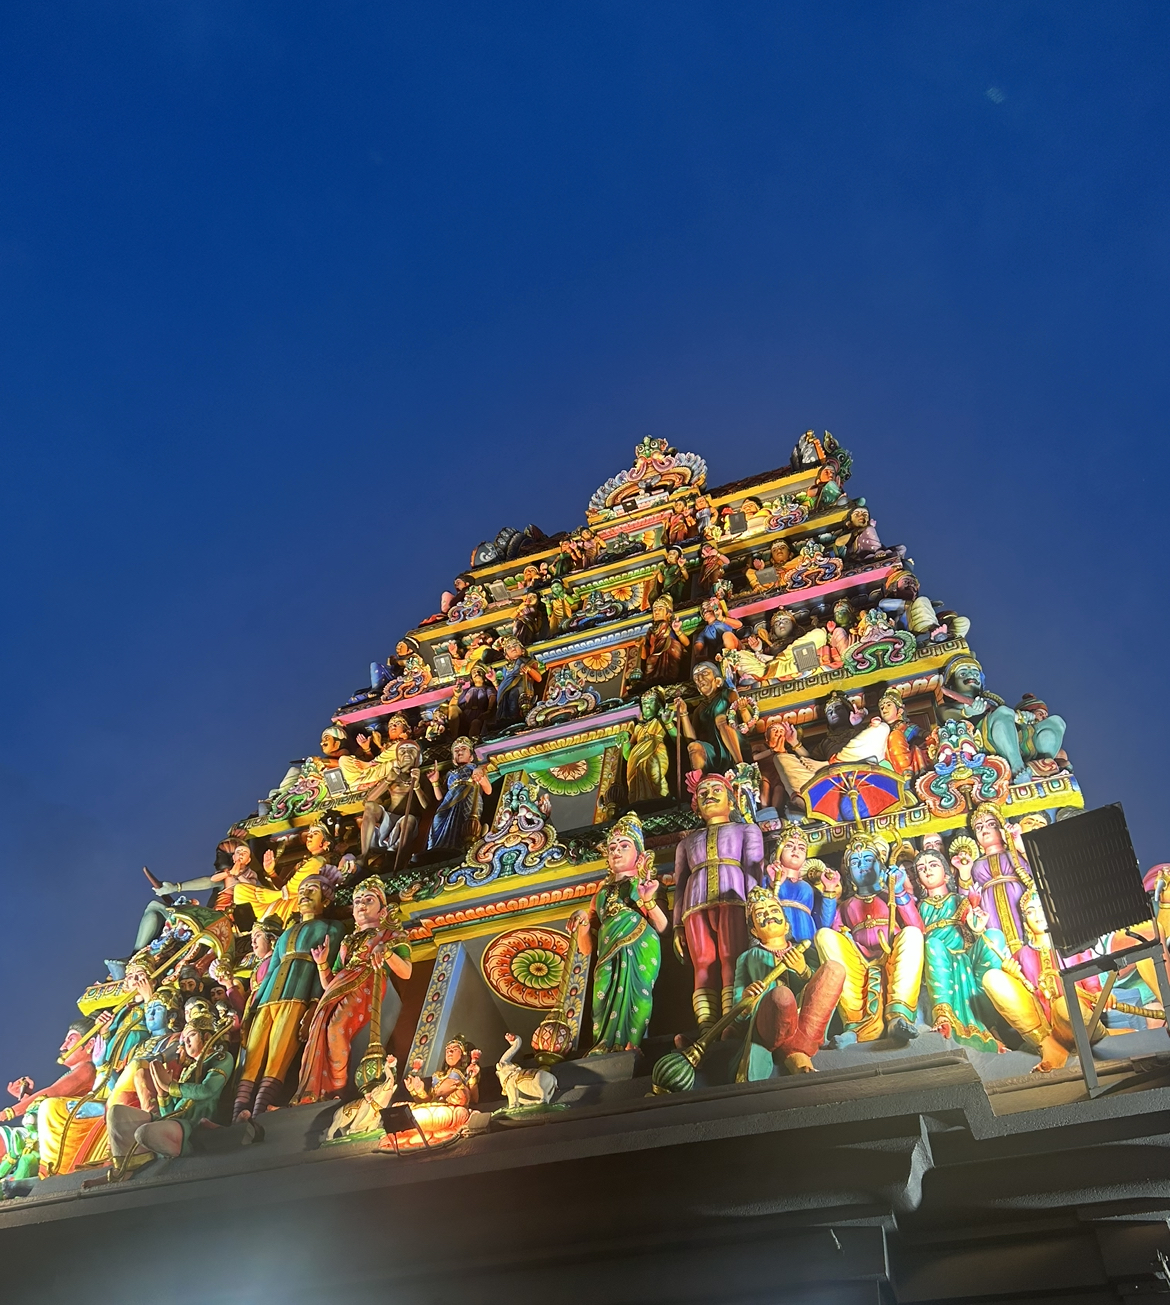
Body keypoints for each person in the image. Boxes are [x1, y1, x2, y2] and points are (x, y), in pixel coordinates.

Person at [233, 875, 347, 1121]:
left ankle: (260, 1112)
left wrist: (315, 1003)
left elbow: (327, 967)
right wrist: (252, 1009)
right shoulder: (286, 933)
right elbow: (272, 970)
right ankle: (236, 1115)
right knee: (251, 1059)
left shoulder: (332, 927)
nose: (304, 894)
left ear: (325, 899)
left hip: (298, 996)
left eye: (312, 889)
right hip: (268, 999)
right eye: (302, 889)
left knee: (277, 1058)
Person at [296, 878, 413, 1103]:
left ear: (382, 909)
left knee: (336, 1028)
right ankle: (313, 1092)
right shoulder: (347, 941)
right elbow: (329, 983)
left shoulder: (391, 935)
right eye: (357, 901)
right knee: (318, 1033)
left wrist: (386, 953)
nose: (361, 905)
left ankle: (337, 1090)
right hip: (339, 988)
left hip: (367, 981)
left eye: (368, 900)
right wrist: (322, 963)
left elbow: (406, 972)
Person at [672, 773, 765, 1028]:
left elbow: (755, 869)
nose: (709, 795)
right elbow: (679, 884)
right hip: (694, 902)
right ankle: (706, 1025)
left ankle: (731, 1021)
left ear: (731, 801)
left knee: (731, 956)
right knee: (702, 963)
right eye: (702, 793)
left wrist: (755, 908)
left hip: (734, 896)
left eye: (716, 790)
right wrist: (677, 926)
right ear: (697, 807)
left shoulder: (746, 830)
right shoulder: (686, 843)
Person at [570, 814, 668, 1054]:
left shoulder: (648, 883)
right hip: (606, 950)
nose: (616, 851)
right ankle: (603, 1044)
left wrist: (648, 901)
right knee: (602, 998)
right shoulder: (600, 893)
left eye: (624, 846)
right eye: (612, 847)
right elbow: (586, 949)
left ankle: (631, 1044)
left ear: (639, 854)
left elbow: (664, 926)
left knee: (637, 992)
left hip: (639, 944)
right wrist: (583, 924)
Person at [815, 835, 925, 1044]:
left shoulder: (891, 895)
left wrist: (899, 890)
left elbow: (917, 927)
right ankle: (856, 1026)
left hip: (891, 952)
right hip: (859, 959)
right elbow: (828, 931)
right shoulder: (846, 906)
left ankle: (898, 1017)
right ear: (848, 873)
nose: (862, 865)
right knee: (824, 936)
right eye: (855, 862)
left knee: (912, 935)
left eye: (868, 859)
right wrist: (830, 891)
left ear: (880, 865)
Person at [104, 1017, 243, 1180]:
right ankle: (124, 1168)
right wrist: (163, 1095)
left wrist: (171, 1087)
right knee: (116, 1113)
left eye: (191, 1036)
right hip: (175, 1122)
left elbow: (208, 1089)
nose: (186, 1043)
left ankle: (177, 1149)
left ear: (206, 1037)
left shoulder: (221, 1058)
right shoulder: (188, 1070)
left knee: (144, 1133)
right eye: (184, 1039)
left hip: (192, 1126)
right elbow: (170, 1113)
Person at [732, 886, 845, 1077]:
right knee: (781, 997)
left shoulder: (805, 950)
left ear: (786, 925)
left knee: (834, 969)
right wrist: (747, 1001)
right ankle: (796, 1057)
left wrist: (802, 970)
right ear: (754, 930)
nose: (769, 915)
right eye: (760, 914)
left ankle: (797, 1054)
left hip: (805, 1023)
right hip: (770, 1025)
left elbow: (817, 989)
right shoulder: (747, 957)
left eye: (774, 910)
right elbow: (736, 1011)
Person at [913, 850, 1002, 1051]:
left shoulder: (960, 901)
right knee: (933, 944)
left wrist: (977, 928)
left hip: (965, 957)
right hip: (937, 960)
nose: (927, 870)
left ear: (946, 874)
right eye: (921, 868)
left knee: (995, 937)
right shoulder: (920, 908)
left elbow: (973, 934)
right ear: (918, 879)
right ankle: (943, 1016)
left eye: (933, 865)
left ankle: (994, 1022)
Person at [376, 1035, 481, 1154]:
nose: (450, 1052)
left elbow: (474, 1099)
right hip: (435, 1111)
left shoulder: (464, 1073)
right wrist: (417, 1091)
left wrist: (473, 1078)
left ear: (462, 1055)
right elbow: (429, 1100)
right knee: (397, 1107)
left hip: (451, 1112)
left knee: (461, 1100)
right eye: (447, 1050)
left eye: (454, 1049)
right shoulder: (437, 1075)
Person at [764, 824, 840, 948]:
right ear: (778, 852)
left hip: (807, 935)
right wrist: (774, 884)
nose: (796, 850)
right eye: (789, 846)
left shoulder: (809, 887)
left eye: (801, 848)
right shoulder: (768, 879)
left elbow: (825, 922)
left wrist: (829, 889)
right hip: (778, 933)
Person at [676, 661, 746, 776]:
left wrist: (743, 709)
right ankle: (700, 781)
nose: (700, 678)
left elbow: (748, 721)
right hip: (713, 750)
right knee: (694, 747)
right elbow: (692, 739)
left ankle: (740, 766)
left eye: (704, 673)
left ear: (717, 680)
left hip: (735, 740)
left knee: (721, 719)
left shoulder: (728, 694)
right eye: (696, 678)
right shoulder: (699, 709)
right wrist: (683, 713)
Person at [426, 738, 493, 854]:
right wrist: (434, 782)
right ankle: (438, 848)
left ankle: (463, 848)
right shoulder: (449, 774)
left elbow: (488, 791)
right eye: (456, 750)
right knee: (438, 820)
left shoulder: (475, 768)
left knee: (465, 822)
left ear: (471, 757)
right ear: (453, 759)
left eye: (463, 749)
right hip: (448, 801)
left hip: (468, 796)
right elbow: (440, 798)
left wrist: (481, 778)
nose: (459, 752)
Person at [623, 689, 674, 803]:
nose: (646, 706)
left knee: (655, 773)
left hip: (656, 748)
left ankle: (663, 799)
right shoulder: (638, 728)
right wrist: (625, 742)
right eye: (644, 703)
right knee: (635, 779)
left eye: (651, 702)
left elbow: (677, 738)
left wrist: (668, 723)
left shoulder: (661, 720)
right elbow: (627, 756)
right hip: (636, 755)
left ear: (659, 704)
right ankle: (638, 802)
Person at [637, 596, 689, 686]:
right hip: (654, 656)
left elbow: (687, 643)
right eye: (654, 610)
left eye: (660, 609)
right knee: (650, 662)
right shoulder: (650, 630)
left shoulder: (670, 626)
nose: (656, 612)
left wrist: (678, 631)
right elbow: (645, 656)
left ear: (668, 614)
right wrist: (641, 645)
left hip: (670, 653)